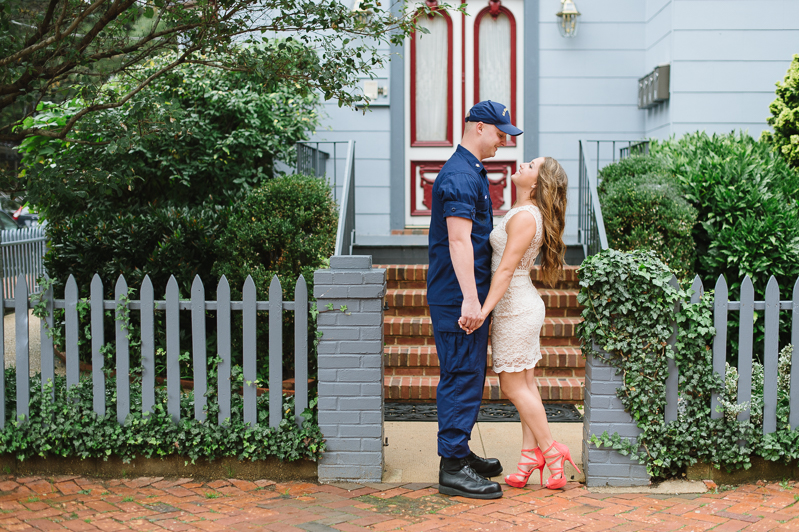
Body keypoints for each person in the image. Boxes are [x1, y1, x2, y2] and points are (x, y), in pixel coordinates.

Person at [461, 156, 580, 490]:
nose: (522, 164)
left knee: (513, 387)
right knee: (525, 385)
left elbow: (505, 269)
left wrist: (482, 311)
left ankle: (552, 453)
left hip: (516, 308)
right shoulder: (523, 212)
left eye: (530, 165)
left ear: (536, 182)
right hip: (518, 305)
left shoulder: (527, 216)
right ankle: (530, 458)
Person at [427, 100, 523, 499]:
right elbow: (458, 239)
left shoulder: (472, 172)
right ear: (479, 127)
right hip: (457, 297)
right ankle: (452, 467)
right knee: (461, 377)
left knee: (469, 375)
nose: (504, 141)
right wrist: (470, 299)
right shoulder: (460, 177)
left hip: (465, 294)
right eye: (500, 133)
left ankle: (460, 451)